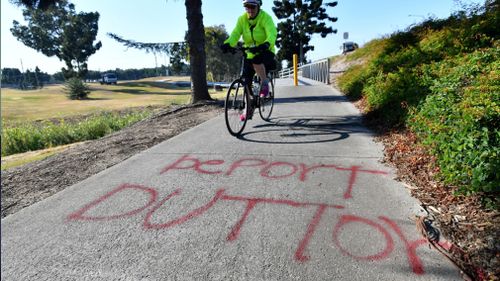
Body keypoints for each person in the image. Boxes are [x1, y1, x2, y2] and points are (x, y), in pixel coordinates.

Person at [221, 0, 277, 120]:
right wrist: (228, 44)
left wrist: (267, 44)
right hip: (250, 52)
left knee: (257, 60)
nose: (250, 9)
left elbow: (272, 33)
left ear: (258, 6)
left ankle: (265, 82)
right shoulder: (242, 19)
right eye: (247, 6)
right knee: (246, 81)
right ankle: (249, 108)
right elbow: (235, 33)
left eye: (252, 6)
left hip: (265, 51)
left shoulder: (265, 18)